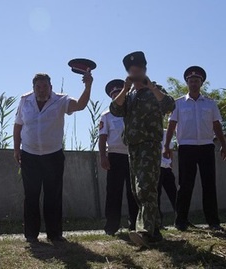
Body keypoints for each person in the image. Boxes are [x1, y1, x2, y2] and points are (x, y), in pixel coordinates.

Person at [13, 70, 93, 243]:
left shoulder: (61, 100)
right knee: (31, 195)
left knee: (53, 195)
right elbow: (18, 125)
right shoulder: (24, 100)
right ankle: (31, 235)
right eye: (38, 87)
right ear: (33, 88)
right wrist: (16, 149)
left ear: (51, 87)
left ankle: (54, 234)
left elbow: (79, 105)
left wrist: (87, 86)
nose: (41, 90)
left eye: (44, 86)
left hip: (53, 156)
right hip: (29, 154)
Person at [110, 51, 175, 247]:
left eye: (138, 71)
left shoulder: (154, 90)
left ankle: (144, 231)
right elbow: (115, 109)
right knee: (137, 190)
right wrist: (124, 88)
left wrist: (151, 86)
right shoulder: (128, 95)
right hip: (133, 146)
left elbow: (169, 104)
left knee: (146, 187)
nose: (135, 74)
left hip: (150, 145)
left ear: (145, 70)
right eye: (132, 72)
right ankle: (155, 232)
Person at [164, 66, 226, 232]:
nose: (193, 83)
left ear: (201, 83)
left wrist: (223, 144)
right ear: (187, 83)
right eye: (191, 81)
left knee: (209, 184)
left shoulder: (210, 103)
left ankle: (213, 222)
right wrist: (166, 146)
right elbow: (171, 125)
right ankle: (181, 221)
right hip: (186, 147)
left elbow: (216, 125)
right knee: (185, 185)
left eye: (196, 81)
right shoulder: (178, 103)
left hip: (206, 146)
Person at [99, 79, 138, 236]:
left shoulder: (134, 111)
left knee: (133, 192)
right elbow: (102, 138)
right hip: (115, 156)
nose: (118, 96)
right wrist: (103, 156)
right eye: (114, 94)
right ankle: (111, 226)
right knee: (114, 192)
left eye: (120, 93)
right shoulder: (107, 115)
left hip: (133, 155)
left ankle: (134, 224)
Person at [158, 127, 177, 227]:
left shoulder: (166, 132)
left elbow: (170, 150)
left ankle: (180, 219)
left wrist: (171, 164)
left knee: (174, 193)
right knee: (157, 195)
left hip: (166, 167)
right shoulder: (149, 131)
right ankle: (158, 222)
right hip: (156, 167)